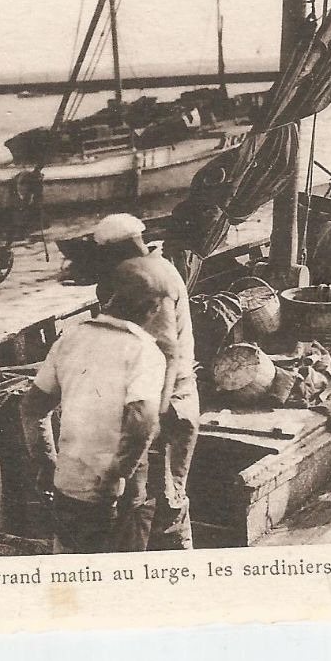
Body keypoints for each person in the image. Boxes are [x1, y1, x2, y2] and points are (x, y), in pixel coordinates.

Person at [18, 283, 166, 553]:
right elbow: (142, 421)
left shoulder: (71, 337)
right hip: (113, 495)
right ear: (151, 310)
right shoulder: (145, 352)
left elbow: (32, 407)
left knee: (71, 569)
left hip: (68, 488)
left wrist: (48, 462)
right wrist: (118, 473)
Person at [91, 213, 201, 550]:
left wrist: (159, 414)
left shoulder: (151, 279)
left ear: (118, 250)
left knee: (163, 503)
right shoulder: (149, 271)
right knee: (146, 503)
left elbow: (167, 351)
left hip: (166, 404)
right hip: (153, 401)